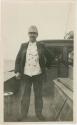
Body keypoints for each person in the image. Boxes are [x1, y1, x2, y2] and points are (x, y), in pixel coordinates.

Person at [15, 25, 53, 121]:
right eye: (30, 33)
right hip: (26, 74)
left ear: (37, 35)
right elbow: (18, 60)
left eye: (34, 33)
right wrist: (17, 71)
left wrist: (46, 67)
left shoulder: (41, 46)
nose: (32, 35)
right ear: (28, 34)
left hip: (38, 74)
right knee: (25, 95)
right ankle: (23, 114)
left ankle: (39, 114)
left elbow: (51, 57)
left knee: (38, 95)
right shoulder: (23, 45)